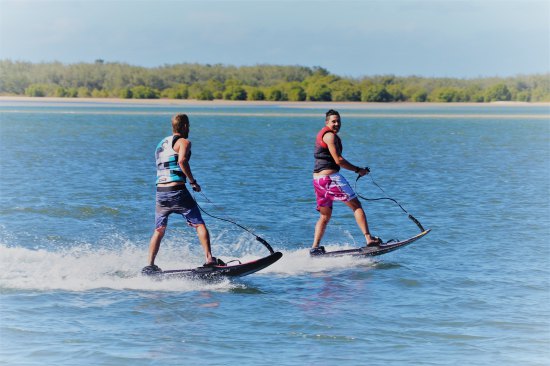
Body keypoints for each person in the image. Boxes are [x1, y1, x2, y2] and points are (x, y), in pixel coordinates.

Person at [143, 113, 221, 273]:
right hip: (177, 191)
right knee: (199, 224)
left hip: (160, 192)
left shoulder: (161, 143)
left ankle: (150, 265)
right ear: (185, 126)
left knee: (159, 230)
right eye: (189, 126)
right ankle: (209, 259)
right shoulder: (184, 142)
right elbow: (181, 161)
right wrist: (193, 182)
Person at [310, 109, 382, 255]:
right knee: (356, 206)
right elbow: (339, 160)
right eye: (333, 121)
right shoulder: (330, 136)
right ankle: (369, 239)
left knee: (324, 216)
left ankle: (315, 247)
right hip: (330, 178)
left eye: (338, 121)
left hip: (318, 180)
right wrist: (358, 170)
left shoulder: (324, 135)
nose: (336, 124)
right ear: (327, 122)